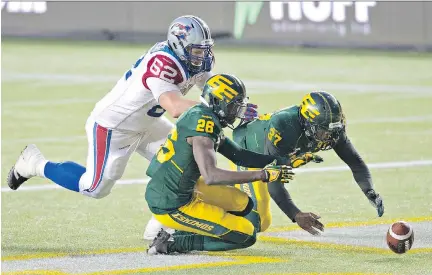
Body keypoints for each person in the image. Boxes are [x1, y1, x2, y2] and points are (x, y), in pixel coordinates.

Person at [7, 15, 257, 204]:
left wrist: (231, 104)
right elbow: (175, 107)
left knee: (184, 166)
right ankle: (35, 163)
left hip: (149, 123)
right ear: (179, 45)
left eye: (204, 50)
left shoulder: (192, 58)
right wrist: (218, 109)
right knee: (95, 188)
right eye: (195, 51)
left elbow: (207, 89)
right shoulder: (164, 63)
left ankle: (163, 228)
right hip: (115, 125)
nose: (201, 57)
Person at [145, 73, 294, 255]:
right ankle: (174, 242)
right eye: (233, 105)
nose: (237, 111)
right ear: (218, 102)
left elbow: (238, 155)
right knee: (246, 235)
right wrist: (263, 175)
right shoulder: (203, 124)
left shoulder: (204, 115)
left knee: (243, 204)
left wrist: (279, 160)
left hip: (183, 188)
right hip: (171, 202)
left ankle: (185, 230)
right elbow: (211, 176)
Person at [230, 91, 384, 235]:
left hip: (276, 153)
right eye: (323, 131)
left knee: (284, 165)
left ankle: (289, 160)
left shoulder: (331, 129)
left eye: (333, 131)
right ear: (307, 123)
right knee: (258, 221)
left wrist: (370, 191)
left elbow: (355, 162)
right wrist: (296, 214)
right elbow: (274, 182)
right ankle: (217, 197)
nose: (329, 136)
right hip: (248, 150)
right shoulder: (283, 125)